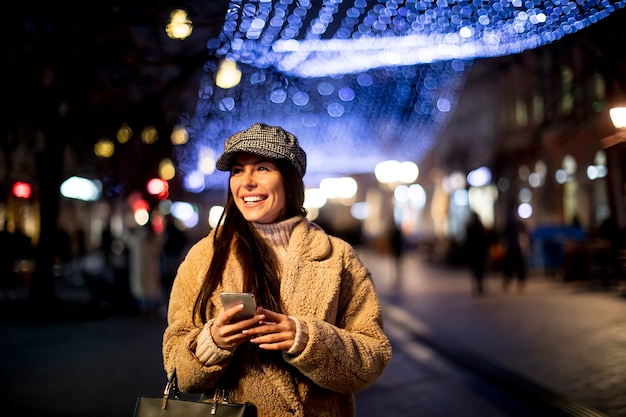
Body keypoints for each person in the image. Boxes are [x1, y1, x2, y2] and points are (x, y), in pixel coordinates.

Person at [162, 123, 392, 417]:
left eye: (261, 168)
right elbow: (177, 368)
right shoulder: (205, 257)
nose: (246, 182)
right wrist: (212, 342)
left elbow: (373, 356)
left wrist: (307, 339)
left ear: (289, 180)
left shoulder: (339, 257)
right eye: (237, 170)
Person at [502, 204, 528, 293]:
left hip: (514, 248)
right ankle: (517, 282)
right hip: (514, 248)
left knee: (513, 266)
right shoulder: (516, 223)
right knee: (516, 266)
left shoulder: (513, 223)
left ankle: (512, 281)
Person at [463, 211, 491, 296]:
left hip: (474, 253)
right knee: (480, 271)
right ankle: (480, 286)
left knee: (476, 271)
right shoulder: (480, 228)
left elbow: (467, 242)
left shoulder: (470, 228)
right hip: (479, 252)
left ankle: (478, 287)